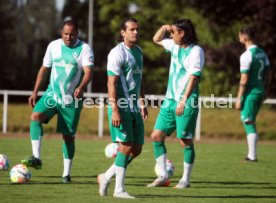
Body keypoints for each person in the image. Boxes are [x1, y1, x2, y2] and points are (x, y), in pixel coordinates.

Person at [21, 17, 94, 183]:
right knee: (35, 117)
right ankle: (36, 157)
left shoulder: (85, 49)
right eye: (65, 34)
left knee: (68, 137)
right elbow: (44, 69)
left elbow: (88, 72)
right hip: (51, 95)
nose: (68, 37)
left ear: (77, 34)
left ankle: (66, 174)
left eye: (72, 34)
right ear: (62, 33)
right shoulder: (53, 46)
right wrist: (35, 92)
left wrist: (81, 87)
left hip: (71, 100)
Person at [147, 19, 205, 188]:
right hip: (169, 101)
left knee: (184, 140)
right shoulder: (174, 46)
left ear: (182, 33)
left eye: (173, 32)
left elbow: (194, 77)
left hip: (185, 101)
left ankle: (185, 180)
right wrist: (164, 28)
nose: (170, 35)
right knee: (156, 136)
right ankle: (164, 176)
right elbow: (156, 39)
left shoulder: (196, 51)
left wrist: (183, 99)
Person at [97, 18, 148, 199]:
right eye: (132, 30)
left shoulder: (139, 52)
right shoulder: (116, 53)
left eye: (137, 30)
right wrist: (115, 110)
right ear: (123, 32)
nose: (135, 33)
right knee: (125, 147)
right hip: (121, 106)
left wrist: (143, 102)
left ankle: (106, 176)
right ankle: (119, 190)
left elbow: (139, 80)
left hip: (135, 106)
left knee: (137, 149)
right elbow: (111, 82)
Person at [235, 27, 271, 162]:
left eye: (239, 36)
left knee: (248, 121)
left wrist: (239, 98)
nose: (238, 38)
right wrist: (266, 88)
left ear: (245, 38)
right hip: (260, 91)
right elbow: (269, 72)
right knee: (251, 121)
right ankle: (252, 154)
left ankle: (252, 156)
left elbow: (244, 79)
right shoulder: (262, 52)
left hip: (251, 93)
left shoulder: (246, 55)